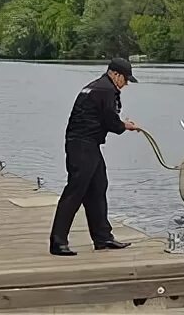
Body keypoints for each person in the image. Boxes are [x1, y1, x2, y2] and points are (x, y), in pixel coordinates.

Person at [49, 57, 140, 256]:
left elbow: (105, 117)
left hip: (86, 144)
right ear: (115, 74)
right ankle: (58, 241)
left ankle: (103, 238)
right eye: (125, 80)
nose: (126, 85)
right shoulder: (106, 90)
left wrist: (121, 123)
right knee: (75, 192)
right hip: (82, 146)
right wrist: (125, 125)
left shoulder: (98, 87)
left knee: (98, 188)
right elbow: (111, 122)